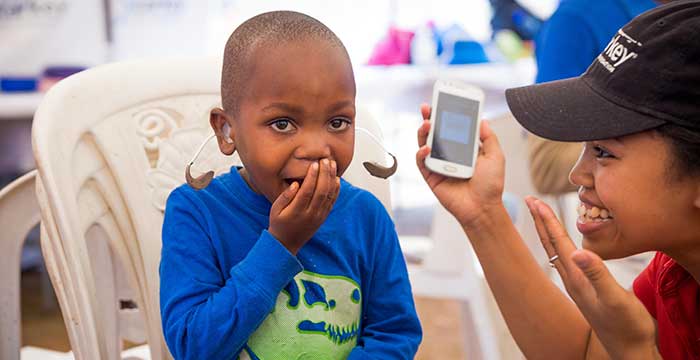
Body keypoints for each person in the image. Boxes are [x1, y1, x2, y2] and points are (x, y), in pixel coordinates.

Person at [416, 2, 700, 359]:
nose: (575, 174)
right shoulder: (674, 273)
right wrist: (483, 215)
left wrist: (634, 351)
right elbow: (584, 353)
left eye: (604, 152)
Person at [159, 11, 421, 360]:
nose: (316, 148)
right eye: (282, 123)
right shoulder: (196, 212)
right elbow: (193, 346)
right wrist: (280, 244)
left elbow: (394, 333)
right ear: (226, 130)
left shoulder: (366, 217)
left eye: (338, 121)